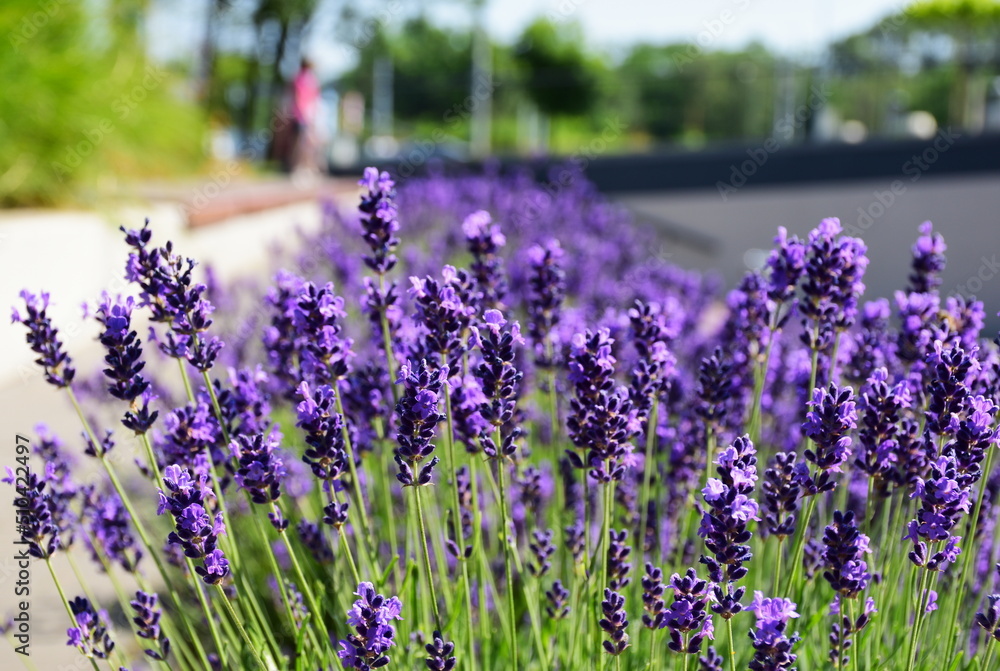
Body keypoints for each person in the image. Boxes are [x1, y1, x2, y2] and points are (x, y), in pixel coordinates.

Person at [290, 57, 321, 180]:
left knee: (306, 143)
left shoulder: (309, 80)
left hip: (307, 116)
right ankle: (300, 168)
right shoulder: (301, 79)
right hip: (302, 116)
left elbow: (314, 98)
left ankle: (307, 168)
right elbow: (299, 98)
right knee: (302, 143)